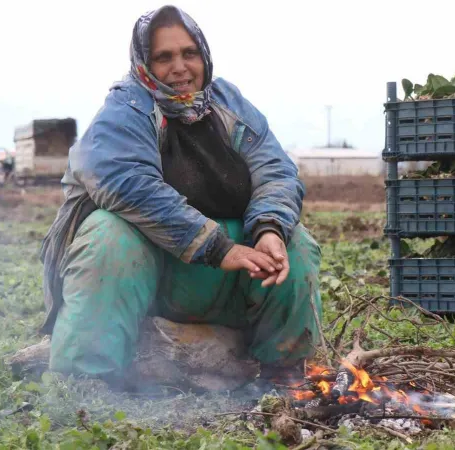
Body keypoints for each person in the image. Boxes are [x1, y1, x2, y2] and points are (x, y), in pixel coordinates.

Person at [38, 4, 322, 389]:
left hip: (219, 281)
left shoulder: (228, 104)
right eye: (164, 57)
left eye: (189, 53)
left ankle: (283, 375)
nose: (180, 67)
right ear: (144, 63)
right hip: (149, 280)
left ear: (203, 54)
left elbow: (275, 171)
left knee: (294, 244)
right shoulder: (125, 110)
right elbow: (127, 184)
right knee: (109, 234)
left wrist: (270, 228)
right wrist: (218, 247)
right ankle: (87, 382)